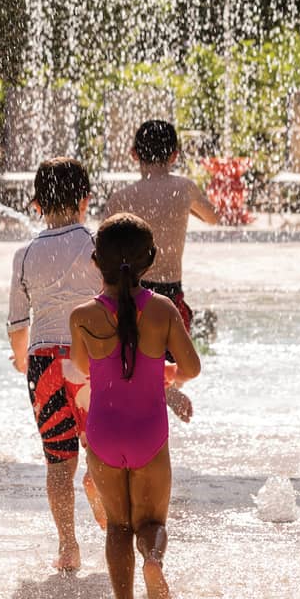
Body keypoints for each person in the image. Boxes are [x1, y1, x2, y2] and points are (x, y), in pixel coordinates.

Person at [70, 214, 201, 599]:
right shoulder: (161, 311)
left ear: (96, 261)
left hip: (104, 435)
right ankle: (153, 560)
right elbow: (192, 367)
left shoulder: (82, 317)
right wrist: (166, 377)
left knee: (117, 527)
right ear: (151, 260)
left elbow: (79, 368)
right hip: (149, 435)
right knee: (151, 523)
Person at [6, 157, 105, 572]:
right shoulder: (98, 243)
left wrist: (20, 358)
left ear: (35, 204)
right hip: (89, 359)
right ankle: (96, 481)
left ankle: (68, 545)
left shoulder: (25, 254)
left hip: (43, 364)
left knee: (57, 461)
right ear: (84, 200)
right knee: (98, 449)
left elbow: (17, 323)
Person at [105, 119, 218, 416]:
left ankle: (155, 395)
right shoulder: (184, 189)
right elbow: (213, 217)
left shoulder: (120, 198)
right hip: (169, 294)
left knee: (129, 365)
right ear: (175, 155)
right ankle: (164, 391)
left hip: (128, 292)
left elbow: (103, 247)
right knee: (177, 363)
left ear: (133, 154)